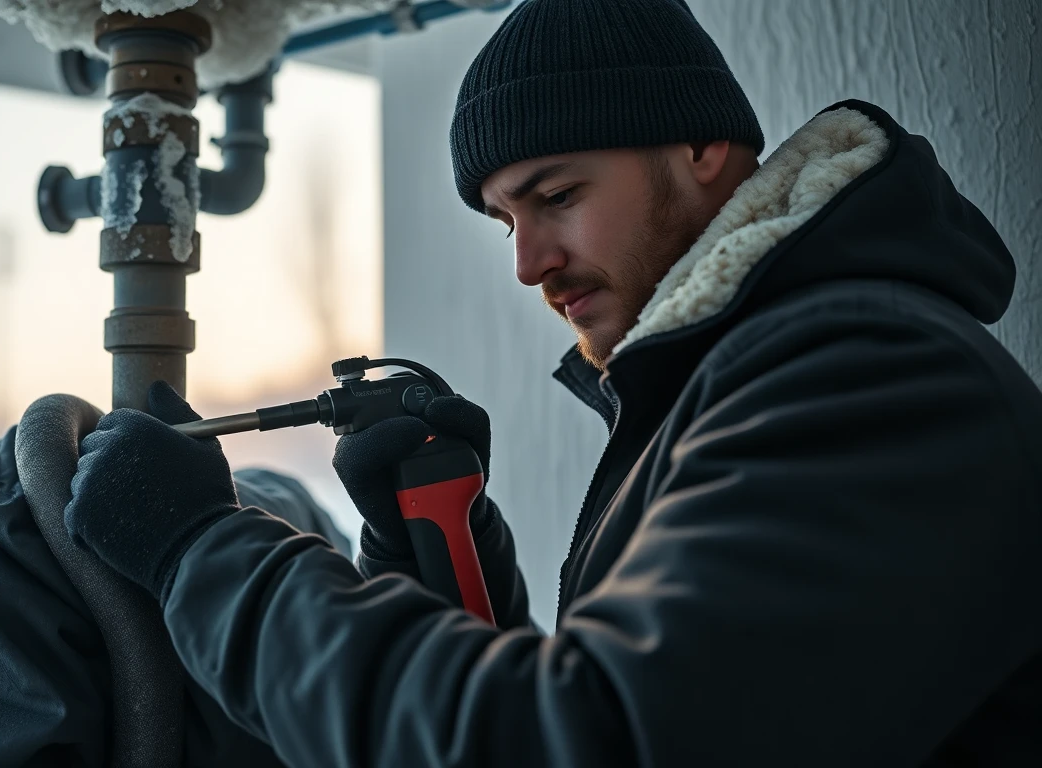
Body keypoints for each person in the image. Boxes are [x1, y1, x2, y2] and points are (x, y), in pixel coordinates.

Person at [60, 0, 1042, 765]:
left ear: (700, 148)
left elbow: (576, 744)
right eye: (504, 221)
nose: (530, 263)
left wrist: (201, 551)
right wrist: (438, 563)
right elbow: (603, 705)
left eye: (558, 197)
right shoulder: (740, 386)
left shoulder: (867, 380)